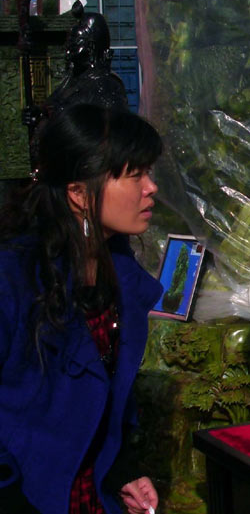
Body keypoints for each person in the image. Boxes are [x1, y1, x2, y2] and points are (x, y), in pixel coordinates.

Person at [0, 103, 163, 514]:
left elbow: (104, 402)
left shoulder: (118, 275)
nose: (151, 187)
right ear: (78, 192)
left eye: (149, 172)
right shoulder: (14, 279)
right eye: (135, 175)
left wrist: (121, 470)